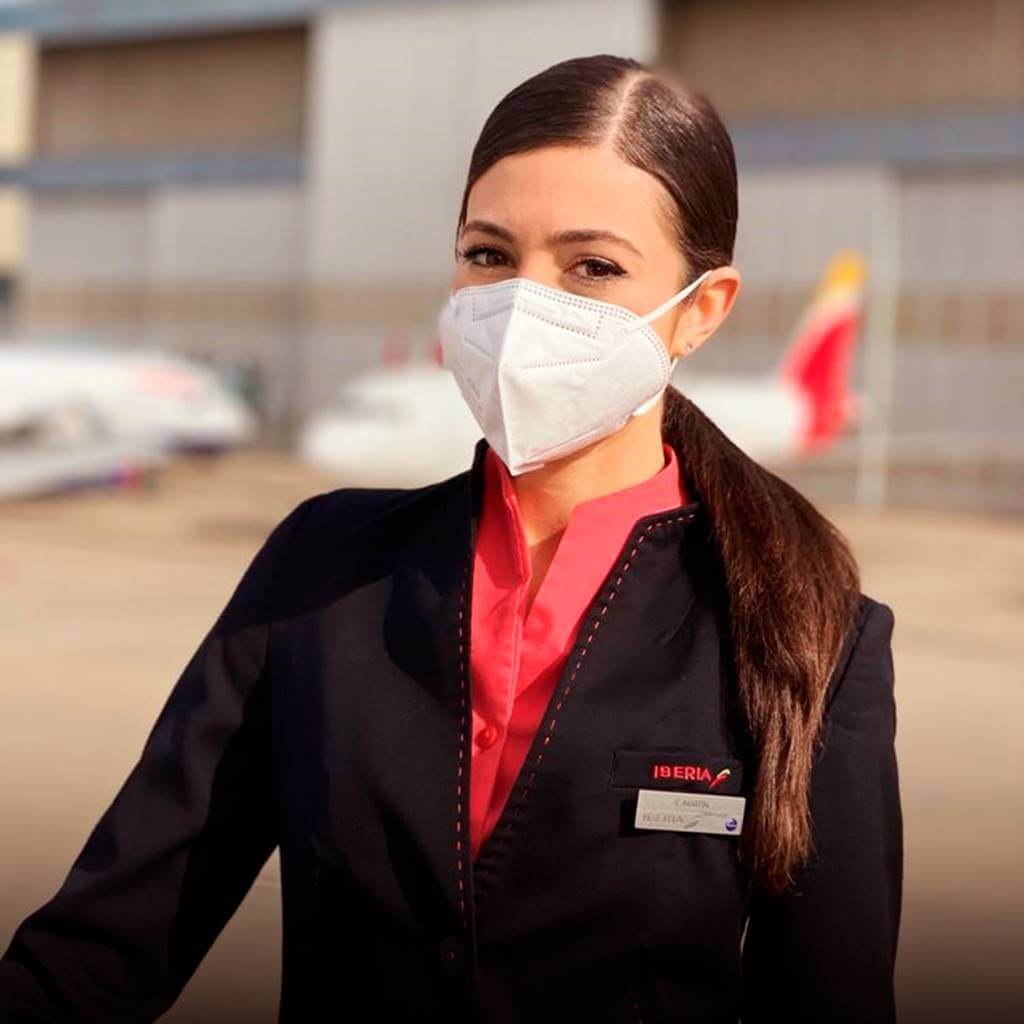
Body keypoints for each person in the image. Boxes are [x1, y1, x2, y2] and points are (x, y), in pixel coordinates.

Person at [0, 53, 902, 1023]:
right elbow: (109, 940)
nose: (522, 304)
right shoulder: (322, 570)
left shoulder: (810, 630)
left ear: (700, 311)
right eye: (488, 254)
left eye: (591, 267)